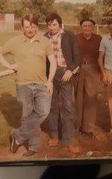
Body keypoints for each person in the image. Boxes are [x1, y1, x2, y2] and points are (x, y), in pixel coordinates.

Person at [0, 14, 57, 157]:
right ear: (22, 27)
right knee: (27, 116)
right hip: (23, 85)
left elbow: (53, 62)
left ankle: (18, 136)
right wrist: (9, 66)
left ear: (37, 27)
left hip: (42, 84)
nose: (30, 29)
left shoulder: (45, 41)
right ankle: (34, 146)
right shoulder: (15, 41)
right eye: (27, 26)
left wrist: (49, 80)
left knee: (43, 112)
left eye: (33, 26)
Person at [44, 13, 81, 153]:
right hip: (51, 75)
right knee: (52, 106)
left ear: (60, 24)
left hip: (66, 74)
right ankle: (54, 135)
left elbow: (78, 56)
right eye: (49, 24)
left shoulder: (69, 35)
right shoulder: (44, 38)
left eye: (54, 24)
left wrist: (71, 70)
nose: (52, 27)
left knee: (67, 107)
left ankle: (68, 140)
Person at [75, 18, 102, 137]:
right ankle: (77, 125)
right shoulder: (75, 38)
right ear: (81, 27)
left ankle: (88, 128)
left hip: (92, 69)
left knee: (91, 98)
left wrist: (102, 72)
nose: (87, 28)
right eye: (84, 26)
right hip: (78, 69)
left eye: (89, 26)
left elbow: (102, 56)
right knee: (78, 98)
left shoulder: (99, 39)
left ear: (93, 27)